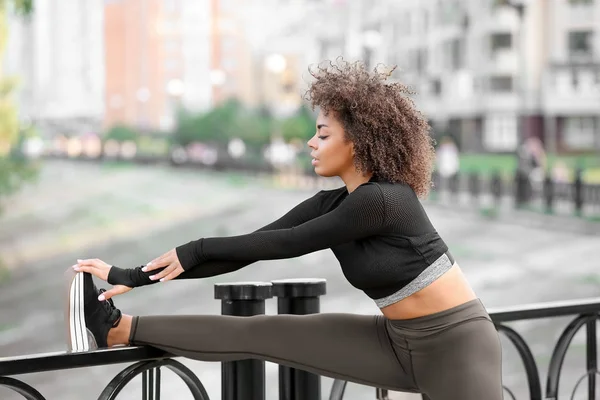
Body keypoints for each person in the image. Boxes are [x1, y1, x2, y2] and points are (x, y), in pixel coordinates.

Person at [66, 60, 503, 400]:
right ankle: (115, 330)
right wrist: (130, 276)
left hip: (457, 346)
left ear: (360, 142)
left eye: (323, 134)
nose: (311, 143)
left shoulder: (385, 201)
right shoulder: (335, 202)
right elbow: (251, 248)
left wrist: (194, 247)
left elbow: (286, 244)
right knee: (255, 331)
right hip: (394, 341)